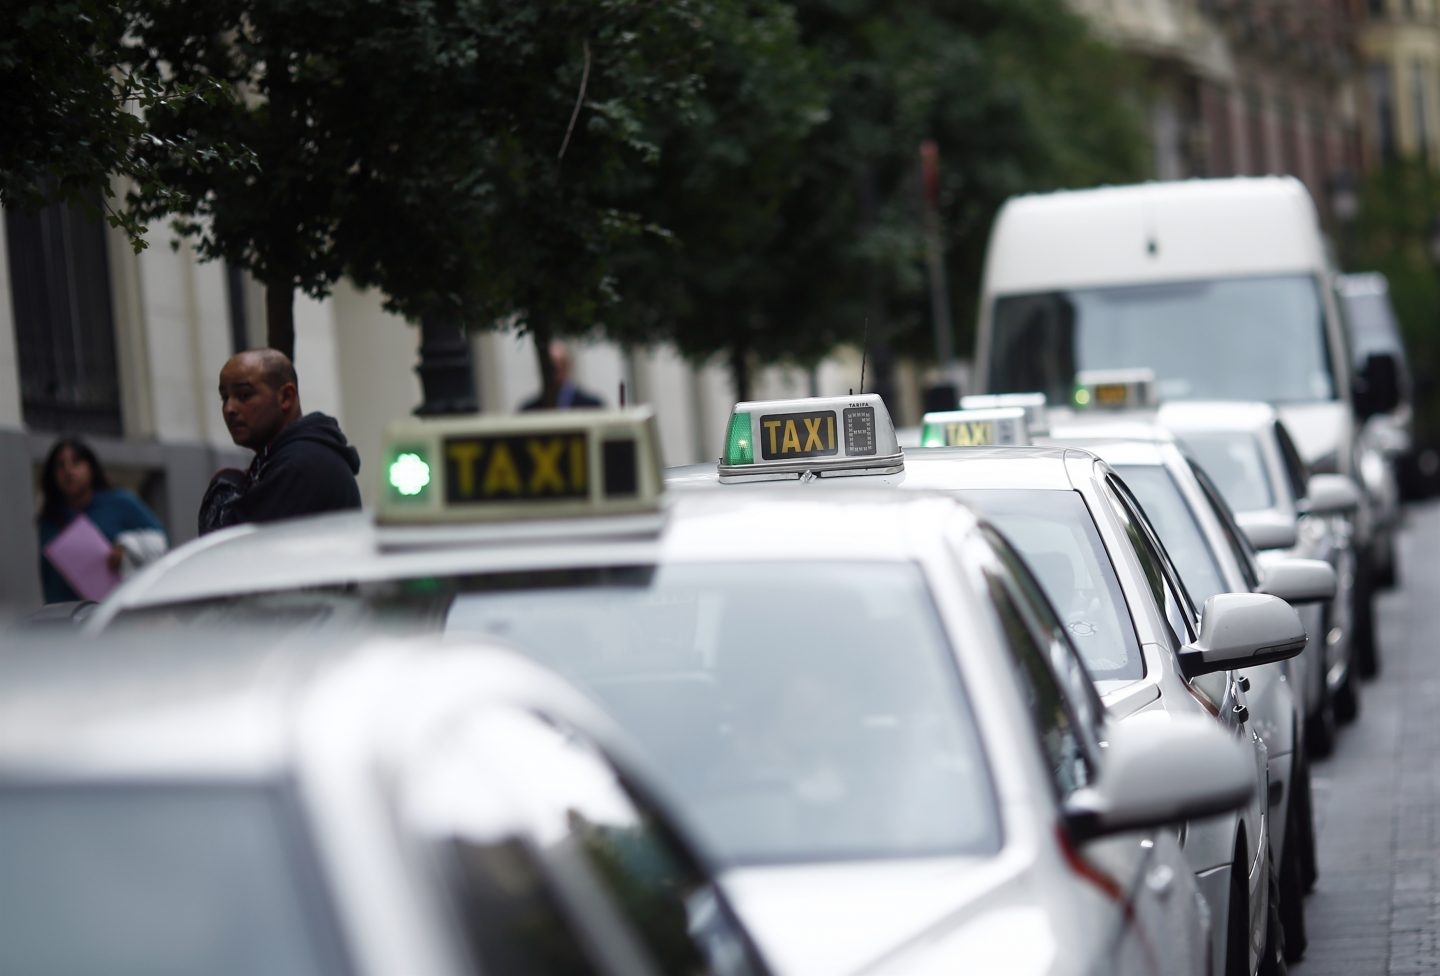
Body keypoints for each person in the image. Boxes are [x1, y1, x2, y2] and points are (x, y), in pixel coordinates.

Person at [201, 348, 361, 534]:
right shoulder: (292, 457)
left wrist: (224, 485)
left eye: (244, 395)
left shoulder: (299, 465)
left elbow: (230, 551)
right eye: (224, 397)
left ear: (286, 397)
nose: (229, 408)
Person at [36, 437, 167, 604]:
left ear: (90, 468)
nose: (68, 471)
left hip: (116, 612)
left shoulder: (119, 503)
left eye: (76, 462)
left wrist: (126, 549)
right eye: (60, 465)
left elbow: (161, 539)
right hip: (66, 619)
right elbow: (48, 578)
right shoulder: (50, 519)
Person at [521, 340, 604, 410]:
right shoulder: (529, 409)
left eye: (558, 367)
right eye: (551, 368)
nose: (554, 374)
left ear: (567, 366)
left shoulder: (592, 406)